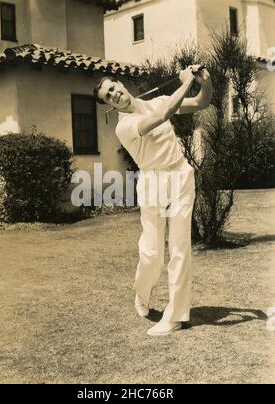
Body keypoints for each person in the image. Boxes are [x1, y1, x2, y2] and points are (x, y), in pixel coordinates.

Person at [94, 66, 212, 336]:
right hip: (153, 183)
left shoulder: (156, 100)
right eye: (108, 96)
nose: (115, 94)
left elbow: (202, 102)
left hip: (180, 175)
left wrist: (205, 82)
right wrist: (185, 83)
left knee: (180, 248)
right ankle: (142, 294)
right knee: (152, 254)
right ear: (109, 105)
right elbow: (163, 115)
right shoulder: (124, 127)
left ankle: (176, 315)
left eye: (114, 88)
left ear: (121, 84)